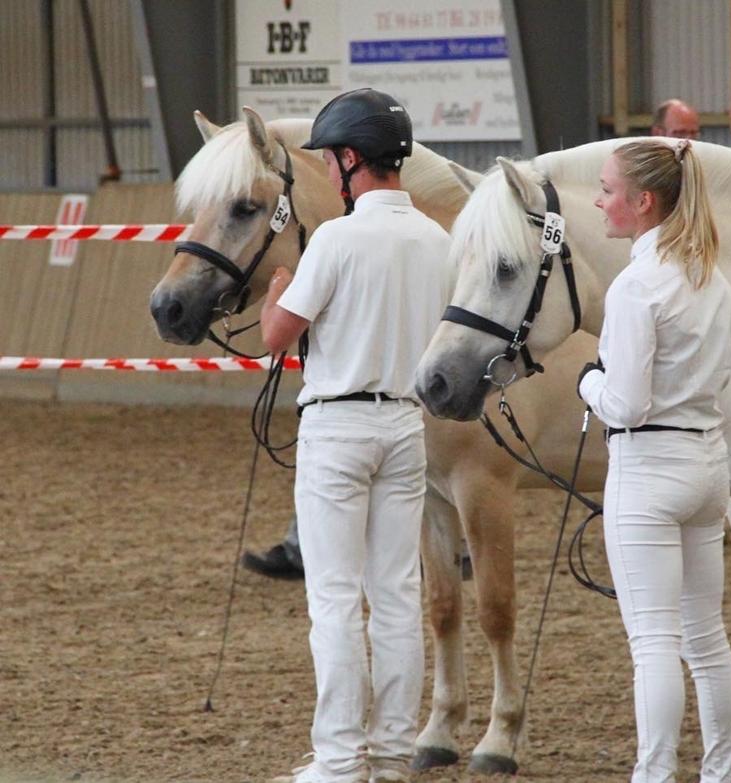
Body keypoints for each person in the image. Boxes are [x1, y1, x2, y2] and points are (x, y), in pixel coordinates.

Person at [262, 87, 453, 783]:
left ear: (349, 159)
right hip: (404, 423)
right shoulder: (437, 240)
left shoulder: (337, 238)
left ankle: (341, 760)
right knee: (396, 595)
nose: (327, 169)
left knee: (336, 599)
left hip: (339, 426)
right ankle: (394, 753)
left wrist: (278, 288)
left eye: (330, 159)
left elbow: (277, 336)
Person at [578, 138, 731, 783]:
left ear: (643, 201)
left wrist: (588, 382)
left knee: (654, 643)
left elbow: (624, 403)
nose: (600, 201)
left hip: (649, 467)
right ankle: (721, 774)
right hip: (707, 463)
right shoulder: (712, 279)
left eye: (608, 190)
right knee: (707, 639)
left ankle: (654, 774)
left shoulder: (635, 286)